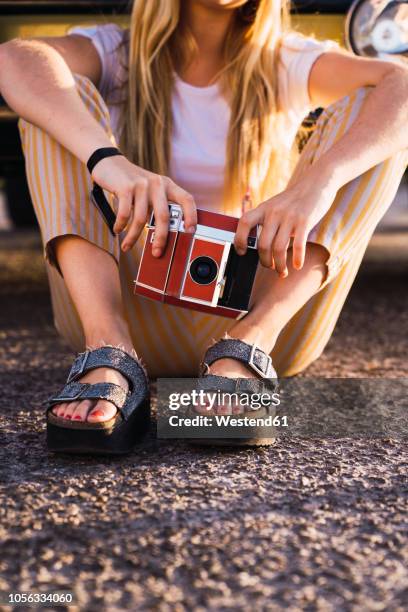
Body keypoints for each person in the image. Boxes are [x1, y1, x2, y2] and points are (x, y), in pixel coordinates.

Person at [0, 0, 407, 452]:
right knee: (53, 100)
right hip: (129, 310)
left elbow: (402, 83)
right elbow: (13, 58)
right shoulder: (116, 53)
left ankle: (244, 351)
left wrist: (318, 184)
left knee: (385, 109)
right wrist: (107, 161)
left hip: (261, 316)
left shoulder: (285, 60)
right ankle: (107, 355)